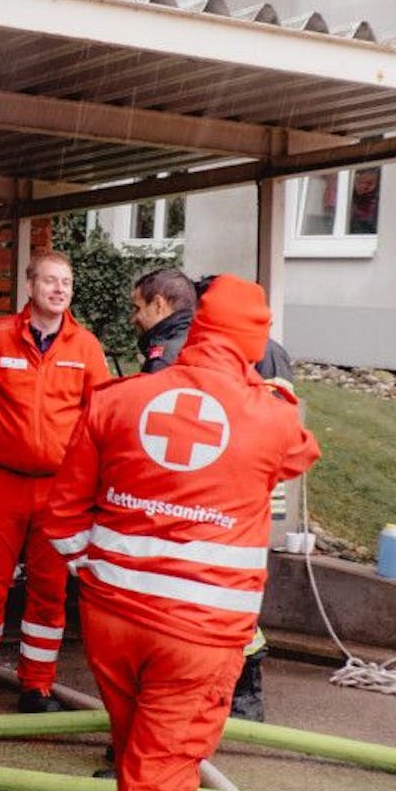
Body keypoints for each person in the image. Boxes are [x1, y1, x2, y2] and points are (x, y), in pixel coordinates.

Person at [44, 274, 319, 791]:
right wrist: (265, 387)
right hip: (197, 637)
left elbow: (61, 516)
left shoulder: (119, 399)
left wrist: (97, 572)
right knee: (158, 776)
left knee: (144, 768)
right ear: (253, 340)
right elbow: (302, 452)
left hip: (112, 621)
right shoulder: (271, 417)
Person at [0, 250, 110, 715]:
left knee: (50, 591)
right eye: (50, 281)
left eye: (66, 282)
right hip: (1, 483)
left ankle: (37, 687)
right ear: (30, 286)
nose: (59, 289)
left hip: (59, 489)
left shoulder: (85, 347)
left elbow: (103, 414)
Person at [129, 267, 295, 721]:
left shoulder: (183, 352)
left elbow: (170, 435)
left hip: (214, 499)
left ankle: (226, 701)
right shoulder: (269, 351)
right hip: (248, 497)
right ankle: (239, 701)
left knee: (203, 600)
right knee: (231, 597)